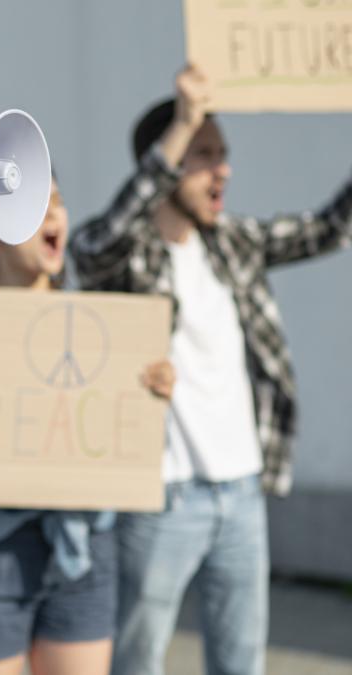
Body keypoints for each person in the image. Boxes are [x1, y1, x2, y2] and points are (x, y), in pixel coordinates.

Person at [69, 65, 352, 675]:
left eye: (222, 154)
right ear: (164, 162)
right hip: (162, 497)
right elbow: (91, 247)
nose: (221, 168)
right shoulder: (127, 253)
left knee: (242, 663)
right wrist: (183, 121)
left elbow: (330, 228)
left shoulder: (233, 243)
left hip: (244, 492)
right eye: (203, 154)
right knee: (137, 659)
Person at [0, 178, 174, 675]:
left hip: (85, 547)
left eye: (58, 204)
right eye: (33, 208)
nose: (53, 217)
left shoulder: (106, 325)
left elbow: (126, 443)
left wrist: (149, 394)